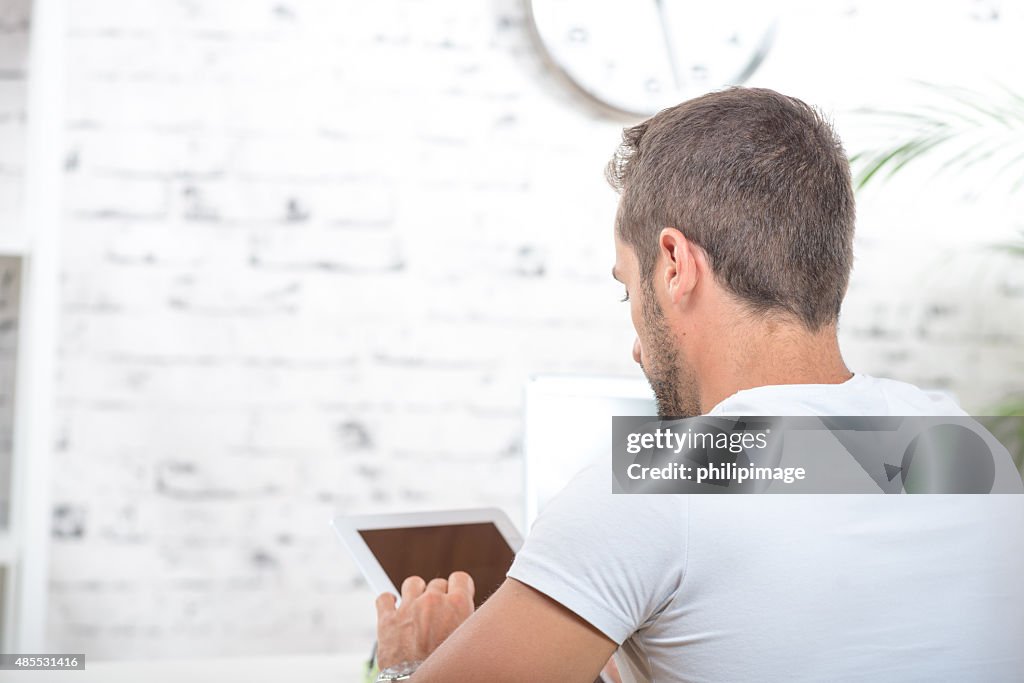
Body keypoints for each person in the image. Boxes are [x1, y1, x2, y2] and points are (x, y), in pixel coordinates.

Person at [370, 88, 1024, 682]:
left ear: (677, 265)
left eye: (630, 288)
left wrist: (409, 664)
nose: (635, 342)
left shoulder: (659, 478)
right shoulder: (967, 446)